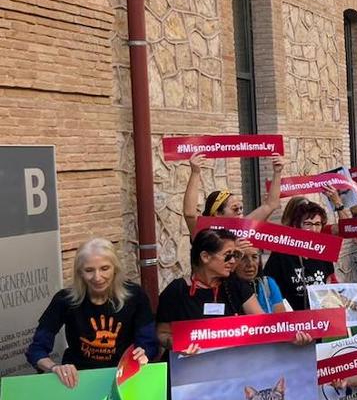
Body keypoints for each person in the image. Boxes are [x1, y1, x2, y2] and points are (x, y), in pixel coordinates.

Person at [27, 238, 157, 386]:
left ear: (115, 268)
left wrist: (143, 354)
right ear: (80, 273)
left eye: (104, 268)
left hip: (123, 377)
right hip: (77, 380)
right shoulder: (64, 300)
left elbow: (149, 344)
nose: (97, 277)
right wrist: (54, 368)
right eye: (89, 270)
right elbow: (36, 350)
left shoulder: (135, 296)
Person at [155, 229, 265, 352]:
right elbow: (162, 332)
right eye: (227, 255)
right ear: (205, 257)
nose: (233, 261)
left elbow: (263, 324)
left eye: (235, 255)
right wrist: (177, 343)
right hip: (190, 365)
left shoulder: (236, 286)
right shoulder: (177, 290)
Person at [262, 198, 337, 311]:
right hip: (292, 319)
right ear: (296, 225)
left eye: (317, 224)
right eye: (308, 224)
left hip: (320, 317)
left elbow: (329, 282)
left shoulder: (323, 252)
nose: (313, 229)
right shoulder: (281, 254)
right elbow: (269, 287)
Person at [180, 153, 285, 233]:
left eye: (241, 208)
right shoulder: (205, 232)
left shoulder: (242, 227)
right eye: (235, 208)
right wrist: (195, 172)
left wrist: (277, 172)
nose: (240, 212)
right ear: (218, 214)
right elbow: (189, 214)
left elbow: (271, 205)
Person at [235, 245, 287, 313]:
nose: (250, 264)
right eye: (243, 258)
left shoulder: (268, 283)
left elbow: (281, 319)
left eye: (254, 257)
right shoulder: (225, 288)